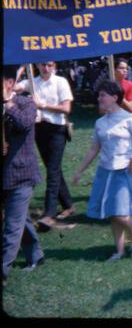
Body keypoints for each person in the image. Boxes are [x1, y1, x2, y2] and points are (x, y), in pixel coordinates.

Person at [71, 81, 132, 261]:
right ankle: (120, 250)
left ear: (115, 98)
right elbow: (94, 148)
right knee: (113, 213)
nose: (99, 98)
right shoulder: (100, 122)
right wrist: (79, 171)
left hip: (125, 170)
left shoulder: (130, 119)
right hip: (105, 171)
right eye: (99, 95)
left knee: (122, 213)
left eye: (102, 95)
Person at [14, 61, 75, 230]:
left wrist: (43, 106)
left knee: (52, 170)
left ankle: (49, 214)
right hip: (40, 129)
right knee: (52, 167)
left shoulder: (60, 82)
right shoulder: (32, 82)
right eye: (42, 65)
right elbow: (11, 88)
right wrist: (21, 68)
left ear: (54, 66)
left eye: (49, 65)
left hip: (57, 129)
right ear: (37, 66)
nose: (45, 68)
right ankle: (68, 204)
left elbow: (66, 108)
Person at [3, 65, 45, 286]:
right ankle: (35, 254)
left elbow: (24, 123)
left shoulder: (26, 103)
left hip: (21, 175)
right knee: (20, 220)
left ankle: (3, 271)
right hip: (4, 175)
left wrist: (7, 104)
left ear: (10, 83)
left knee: (11, 225)